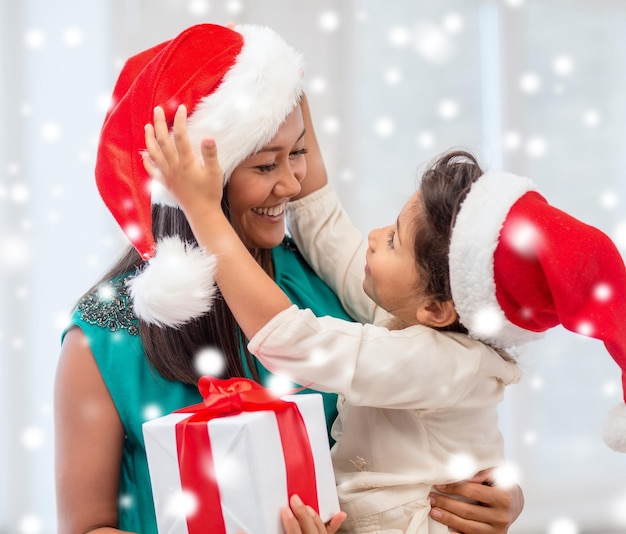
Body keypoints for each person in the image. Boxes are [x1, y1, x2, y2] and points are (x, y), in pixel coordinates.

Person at [55, 22, 526, 534]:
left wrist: (493, 494)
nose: (292, 181)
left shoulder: (324, 283)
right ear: (195, 184)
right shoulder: (103, 338)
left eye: (298, 152)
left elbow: (430, 421)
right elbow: (84, 527)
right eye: (265, 164)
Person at [144, 100, 626, 532]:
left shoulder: (443, 363)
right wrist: (288, 86)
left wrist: (203, 212)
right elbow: (324, 225)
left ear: (438, 309)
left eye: (394, 239)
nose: (374, 236)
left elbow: (295, 343)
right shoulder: (420, 315)